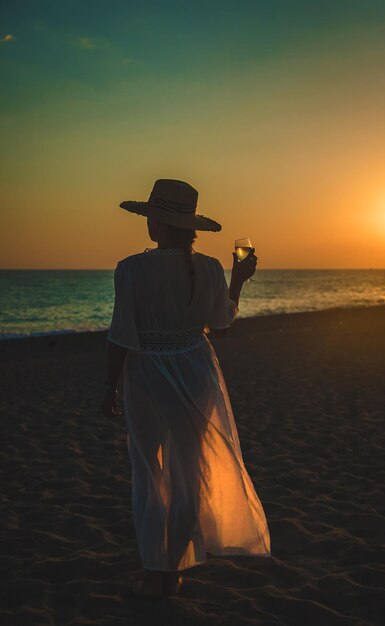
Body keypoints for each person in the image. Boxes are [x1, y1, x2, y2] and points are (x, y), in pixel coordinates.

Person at [100, 179, 271, 597]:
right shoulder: (212, 267)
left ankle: (155, 568)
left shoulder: (131, 268)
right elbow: (223, 323)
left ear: (155, 226)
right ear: (189, 226)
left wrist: (109, 388)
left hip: (146, 373)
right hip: (195, 366)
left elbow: (122, 334)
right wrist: (239, 280)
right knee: (187, 473)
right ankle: (172, 567)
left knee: (148, 470)